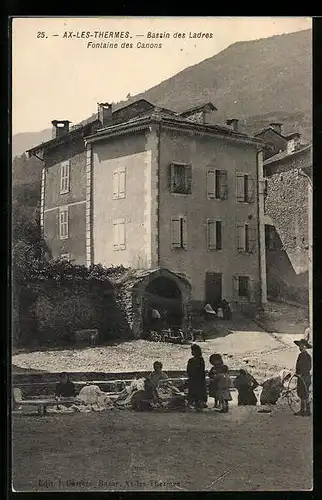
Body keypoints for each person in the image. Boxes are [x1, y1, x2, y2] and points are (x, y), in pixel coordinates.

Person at [294, 338, 312, 416]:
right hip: (302, 377)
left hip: (304, 377)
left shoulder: (306, 356)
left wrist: (301, 374)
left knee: (305, 393)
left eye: (301, 345)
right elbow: (298, 367)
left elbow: (308, 367)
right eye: (299, 345)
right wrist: (297, 373)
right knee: (302, 394)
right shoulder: (302, 355)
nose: (299, 347)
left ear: (304, 346)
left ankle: (307, 411)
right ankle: (303, 410)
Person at [186, 344, 208, 411]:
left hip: (197, 379)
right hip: (195, 379)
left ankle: (198, 403)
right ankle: (196, 403)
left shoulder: (198, 360)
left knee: (197, 392)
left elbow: (200, 370)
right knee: (195, 392)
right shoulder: (193, 360)